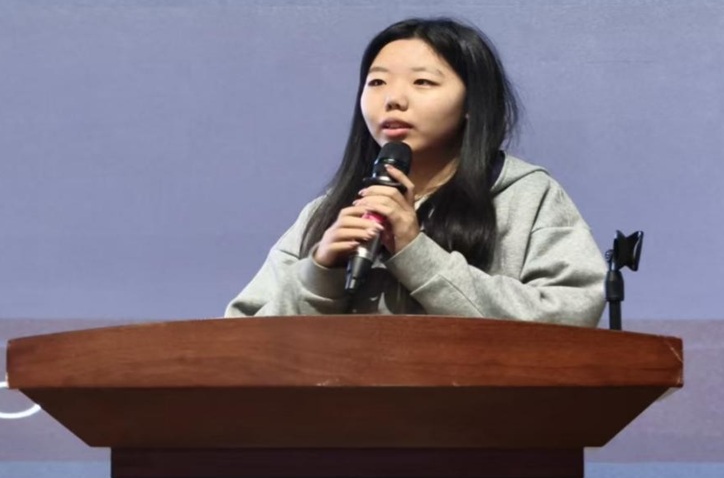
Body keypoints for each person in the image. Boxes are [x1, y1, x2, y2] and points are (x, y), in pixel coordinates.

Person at [225, 17, 606, 325]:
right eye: (377, 82)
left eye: (422, 82)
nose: (393, 99)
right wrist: (320, 272)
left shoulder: (525, 196)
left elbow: (570, 315)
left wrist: (415, 253)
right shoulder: (329, 212)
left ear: (471, 103)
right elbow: (239, 341)